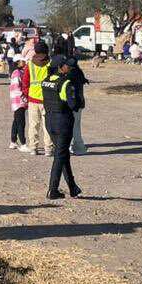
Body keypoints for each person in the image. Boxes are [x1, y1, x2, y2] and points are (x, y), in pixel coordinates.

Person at [41, 55, 82, 200]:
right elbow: (73, 105)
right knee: (60, 156)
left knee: (62, 153)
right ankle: (52, 189)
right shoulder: (65, 83)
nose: (68, 68)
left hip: (49, 121)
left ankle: (72, 187)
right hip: (63, 121)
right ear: (59, 67)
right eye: (66, 65)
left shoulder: (45, 81)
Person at [26, 44, 52, 156]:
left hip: (33, 98)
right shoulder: (50, 64)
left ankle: (33, 147)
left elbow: (25, 81)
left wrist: (26, 94)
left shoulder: (30, 64)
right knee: (48, 125)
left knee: (33, 125)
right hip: (47, 99)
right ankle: (48, 148)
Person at [67, 57, 89, 156]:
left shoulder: (70, 75)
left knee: (72, 126)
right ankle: (77, 146)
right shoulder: (79, 72)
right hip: (79, 103)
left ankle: (79, 147)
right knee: (76, 125)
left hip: (73, 104)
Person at [8, 58, 30, 151]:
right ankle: (23, 144)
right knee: (21, 122)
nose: (25, 62)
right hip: (19, 101)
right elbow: (16, 88)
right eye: (22, 61)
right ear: (18, 62)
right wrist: (24, 98)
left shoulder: (19, 72)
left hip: (18, 101)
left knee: (16, 121)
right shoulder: (17, 73)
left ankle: (13, 141)